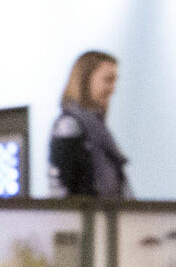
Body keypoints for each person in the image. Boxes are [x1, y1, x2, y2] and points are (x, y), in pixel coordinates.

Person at [48, 49, 131, 197]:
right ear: (85, 80)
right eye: (107, 80)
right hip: (82, 218)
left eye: (114, 81)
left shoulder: (97, 129)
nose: (112, 89)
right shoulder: (69, 126)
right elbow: (62, 188)